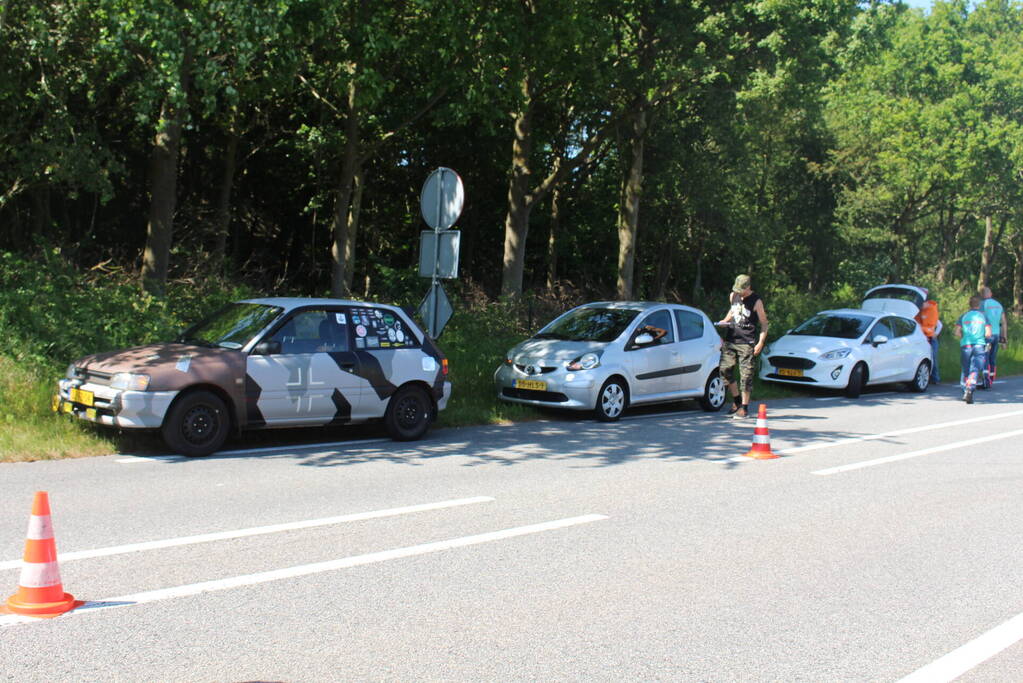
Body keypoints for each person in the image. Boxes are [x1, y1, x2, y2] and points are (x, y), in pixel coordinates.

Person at [716, 274, 768, 419]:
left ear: (748, 287)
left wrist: (760, 342)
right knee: (724, 370)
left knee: (746, 376)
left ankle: (744, 408)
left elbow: (764, 324)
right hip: (731, 340)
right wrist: (725, 321)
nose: (739, 292)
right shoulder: (733, 295)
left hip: (747, 342)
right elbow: (732, 311)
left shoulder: (756, 301)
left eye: (741, 290)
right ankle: (737, 401)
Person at [953, 295, 991, 404]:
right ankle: (970, 389)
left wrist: (964, 337)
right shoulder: (983, 316)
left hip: (966, 345)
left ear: (969, 305)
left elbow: (956, 332)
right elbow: (988, 334)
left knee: (966, 369)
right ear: (979, 305)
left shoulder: (963, 316)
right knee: (974, 369)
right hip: (979, 345)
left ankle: (965, 390)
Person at [979, 286, 1008, 386]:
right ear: (990, 294)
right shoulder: (999, 305)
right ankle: (991, 379)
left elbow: (980, 319)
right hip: (996, 336)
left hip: (987, 336)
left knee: (985, 357)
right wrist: (1004, 340)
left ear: (982, 295)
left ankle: (986, 381)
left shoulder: (982, 304)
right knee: (992, 358)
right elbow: (1004, 322)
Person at [914, 289, 941, 384]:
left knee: (933, 357)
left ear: (926, 303)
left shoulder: (931, 311)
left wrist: (935, 334)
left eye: (921, 304)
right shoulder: (920, 312)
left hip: (931, 339)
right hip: (922, 339)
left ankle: (935, 378)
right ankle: (927, 377)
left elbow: (939, 324)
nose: (920, 306)